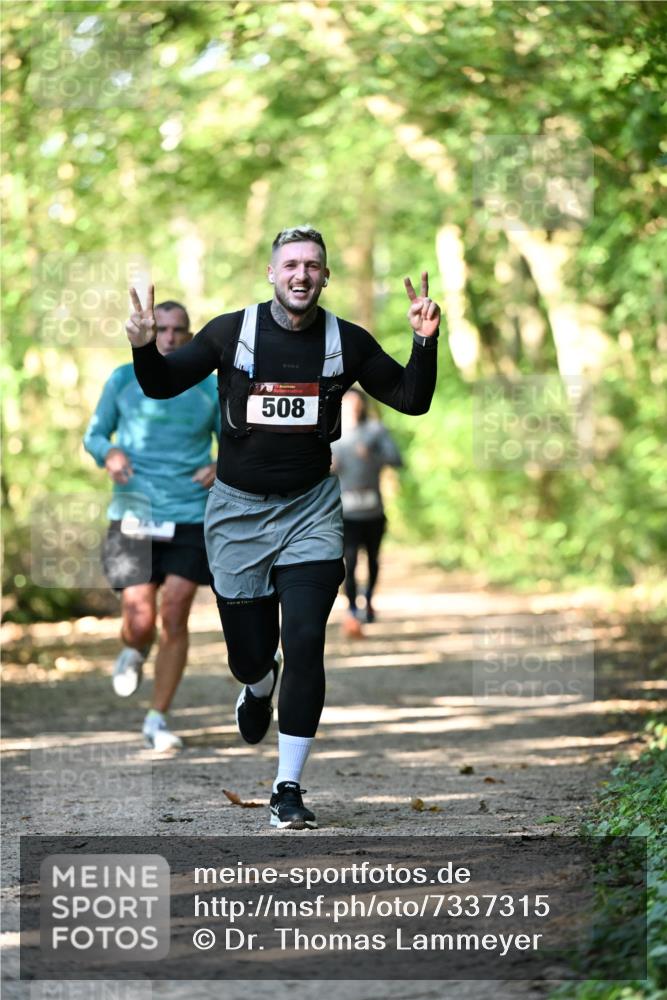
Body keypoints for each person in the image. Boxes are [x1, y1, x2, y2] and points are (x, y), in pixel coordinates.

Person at [126, 226, 439, 827]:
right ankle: (258, 680)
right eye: (290, 264)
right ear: (272, 273)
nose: (301, 274)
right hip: (238, 512)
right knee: (251, 655)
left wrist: (423, 342)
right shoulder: (229, 333)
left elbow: (410, 397)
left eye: (313, 265)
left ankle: (287, 786)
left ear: (325, 277)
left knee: (305, 638)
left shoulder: (345, 340)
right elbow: (161, 383)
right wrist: (144, 348)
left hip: (311, 512)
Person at [84, 300, 219, 752]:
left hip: (189, 512)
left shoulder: (208, 386)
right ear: (150, 332)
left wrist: (221, 466)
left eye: (179, 330)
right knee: (140, 619)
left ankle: (157, 717)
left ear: (190, 335)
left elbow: (237, 441)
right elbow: (95, 433)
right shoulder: (124, 379)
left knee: (176, 610)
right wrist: (111, 453)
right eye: (161, 328)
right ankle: (135, 647)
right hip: (134, 512)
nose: (169, 337)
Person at [331, 387, 402, 638]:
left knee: (372, 559)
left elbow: (397, 459)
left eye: (355, 403)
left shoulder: (375, 430)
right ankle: (351, 609)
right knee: (349, 562)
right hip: (345, 511)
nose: (352, 407)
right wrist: (329, 467)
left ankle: (368, 600)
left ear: (362, 404)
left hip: (373, 509)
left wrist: (372, 455)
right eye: (346, 403)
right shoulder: (331, 434)